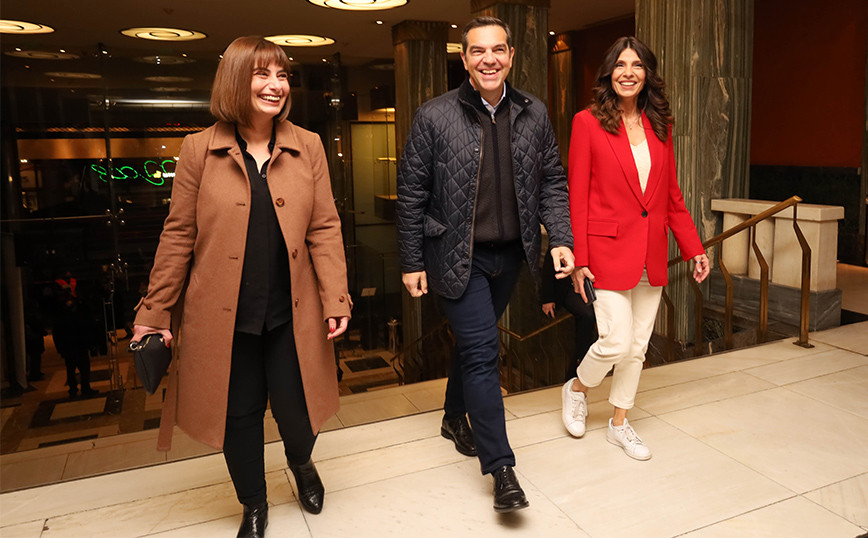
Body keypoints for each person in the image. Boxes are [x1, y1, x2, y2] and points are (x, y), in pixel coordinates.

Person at [131, 36, 351, 538]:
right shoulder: (198, 149)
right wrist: (154, 311)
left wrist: (335, 296)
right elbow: (178, 234)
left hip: (292, 311)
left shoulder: (309, 145)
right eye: (262, 74)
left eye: (282, 75)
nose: (276, 85)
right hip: (224, 316)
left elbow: (324, 227)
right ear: (235, 81)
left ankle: (301, 463)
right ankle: (253, 503)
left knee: (301, 413)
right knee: (238, 415)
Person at [397, 17, 574, 513]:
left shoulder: (534, 113)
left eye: (498, 50)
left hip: (512, 256)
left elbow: (552, 182)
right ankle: (502, 470)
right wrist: (411, 260)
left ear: (511, 56)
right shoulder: (434, 116)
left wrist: (560, 237)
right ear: (464, 58)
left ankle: (454, 416)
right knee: (481, 351)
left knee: (474, 344)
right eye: (478, 51)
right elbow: (411, 194)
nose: (489, 59)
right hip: (457, 256)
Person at [562, 36, 710, 460]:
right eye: (621, 65)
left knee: (638, 347)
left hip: (651, 253)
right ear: (609, 72)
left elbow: (671, 197)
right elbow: (578, 197)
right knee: (615, 341)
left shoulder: (660, 125)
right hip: (605, 252)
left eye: (637, 65)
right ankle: (577, 388)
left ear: (648, 75)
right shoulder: (587, 122)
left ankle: (619, 423)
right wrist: (579, 260)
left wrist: (694, 248)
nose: (629, 73)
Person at [539, 252, 597, 382]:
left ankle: (582, 365)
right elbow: (549, 265)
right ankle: (577, 369)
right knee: (587, 316)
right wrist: (547, 298)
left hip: (590, 283)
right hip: (565, 286)